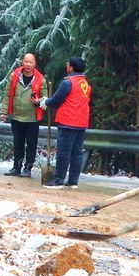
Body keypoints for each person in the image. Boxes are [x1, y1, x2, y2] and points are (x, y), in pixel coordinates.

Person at [43, 57, 92, 189]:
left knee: (64, 152)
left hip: (68, 121)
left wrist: (45, 102)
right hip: (81, 122)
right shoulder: (85, 83)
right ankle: (73, 181)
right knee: (77, 152)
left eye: (68, 64)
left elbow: (57, 100)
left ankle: (58, 180)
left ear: (71, 68)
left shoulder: (68, 82)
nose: (66, 65)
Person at [0, 53, 44, 177]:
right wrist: (3, 112)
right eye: (26, 61)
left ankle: (28, 169)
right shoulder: (14, 76)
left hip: (32, 118)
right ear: (22, 62)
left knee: (31, 145)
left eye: (31, 62)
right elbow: (7, 95)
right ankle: (16, 167)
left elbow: (46, 98)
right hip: (17, 116)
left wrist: (38, 101)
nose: (28, 64)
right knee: (18, 143)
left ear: (34, 64)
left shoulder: (40, 79)